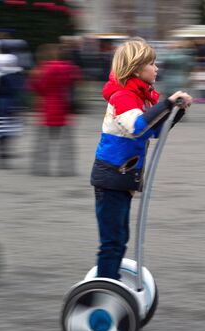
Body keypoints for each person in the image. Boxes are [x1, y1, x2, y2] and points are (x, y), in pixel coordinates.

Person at [90, 38, 192, 279]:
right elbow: (137, 127)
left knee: (119, 238)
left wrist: (177, 112)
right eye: (152, 64)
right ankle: (103, 290)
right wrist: (167, 103)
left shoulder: (138, 97)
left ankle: (110, 282)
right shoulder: (123, 96)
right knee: (112, 241)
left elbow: (154, 131)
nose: (157, 68)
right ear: (136, 68)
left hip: (122, 178)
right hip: (111, 177)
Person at [28, 44, 81, 176]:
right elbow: (76, 83)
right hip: (64, 109)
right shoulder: (71, 68)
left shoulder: (47, 69)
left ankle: (41, 168)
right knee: (65, 141)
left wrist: (34, 79)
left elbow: (41, 88)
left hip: (48, 108)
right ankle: (66, 169)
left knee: (43, 140)